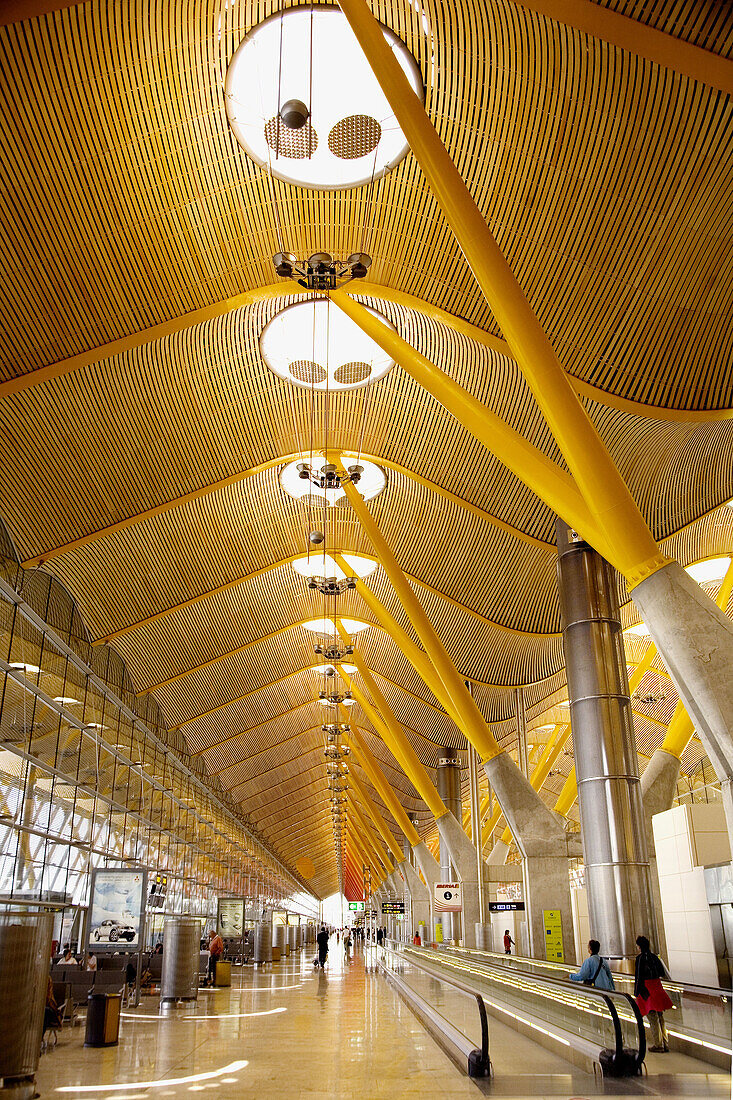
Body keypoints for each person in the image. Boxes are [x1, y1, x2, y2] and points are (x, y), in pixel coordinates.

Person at [634, 935, 673, 1053]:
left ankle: (658, 1044)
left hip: (647, 990)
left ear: (640, 947)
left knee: (653, 1018)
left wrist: (636, 992)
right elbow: (662, 972)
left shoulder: (640, 959)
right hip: (657, 987)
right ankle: (665, 1043)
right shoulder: (654, 957)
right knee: (660, 1017)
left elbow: (638, 976)